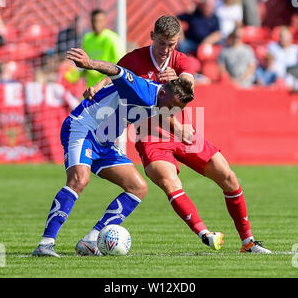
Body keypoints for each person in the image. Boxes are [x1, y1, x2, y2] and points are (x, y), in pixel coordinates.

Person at [81, 16, 271, 255]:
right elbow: (115, 75)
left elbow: (189, 85)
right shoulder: (135, 59)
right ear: (152, 37)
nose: (166, 50)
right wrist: (97, 86)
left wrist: (178, 81)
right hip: (151, 139)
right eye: (162, 43)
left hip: (182, 132)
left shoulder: (180, 60)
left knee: (229, 177)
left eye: (172, 44)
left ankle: (248, 242)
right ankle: (204, 233)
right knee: (171, 183)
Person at [32, 47, 194, 257]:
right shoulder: (142, 90)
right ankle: (45, 244)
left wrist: (180, 129)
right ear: (163, 93)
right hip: (83, 127)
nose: (172, 112)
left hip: (105, 141)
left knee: (138, 188)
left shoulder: (163, 100)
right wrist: (89, 64)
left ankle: (90, 241)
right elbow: (115, 69)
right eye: (171, 107)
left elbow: (163, 112)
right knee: (79, 180)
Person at [82, 9, 125, 88]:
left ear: (105, 21)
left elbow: (121, 62)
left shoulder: (112, 38)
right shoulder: (87, 39)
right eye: (94, 21)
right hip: (91, 87)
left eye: (100, 21)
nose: (96, 24)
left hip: (108, 86)